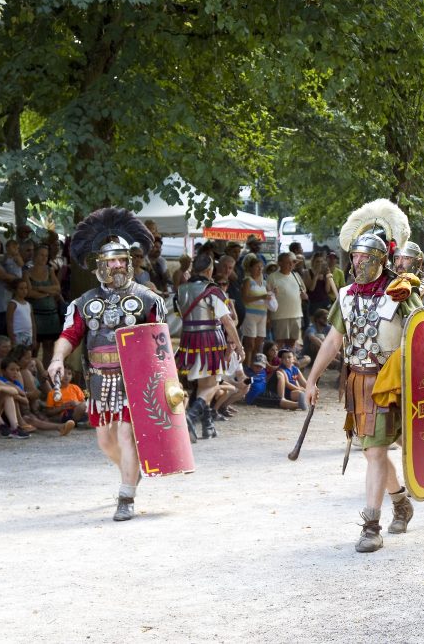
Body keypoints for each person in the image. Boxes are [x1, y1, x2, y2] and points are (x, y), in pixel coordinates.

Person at [304, 199, 419, 553]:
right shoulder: (347, 297)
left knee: (373, 452)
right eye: (354, 257)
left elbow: (423, 335)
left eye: (365, 257)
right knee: (374, 451)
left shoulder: (401, 292)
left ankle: (371, 525)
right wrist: (311, 379)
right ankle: (400, 501)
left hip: (388, 384)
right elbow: (333, 340)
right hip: (357, 381)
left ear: (382, 260)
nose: (358, 263)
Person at [47, 208, 166, 521]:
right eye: (110, 260)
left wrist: (168, 384)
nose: (116, 265)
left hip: (135, 379)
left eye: (121, 260)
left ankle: (126, 496)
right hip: (100, 379)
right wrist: (58, 358)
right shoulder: (84, 303)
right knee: (105, 440)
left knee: (127, 435)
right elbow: (69, 334)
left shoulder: (148, 299)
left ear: (129, 262)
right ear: (100, 265)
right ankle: (130, 471)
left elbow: (160, 344)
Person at [176, 252, 244, 440]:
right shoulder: (213, 290)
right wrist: (238, 346)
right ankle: (190, 417)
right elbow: (228, 322)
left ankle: (208, 426)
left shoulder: (181, 290)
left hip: (189, 340)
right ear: (209, 270)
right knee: (212, 385)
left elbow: (178, 314)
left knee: (202, 385)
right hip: (210, 340)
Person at [26, 244, 64, 367]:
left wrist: (40, 288)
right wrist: (48, 292)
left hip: (51, 315)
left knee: (49, 346)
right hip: (35, 315)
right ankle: (33, 372)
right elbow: (29, 292)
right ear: (35, 256)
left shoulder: (50, 270)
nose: (44, 258)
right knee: (34, 347)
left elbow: (57, 288)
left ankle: (47, 373)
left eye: (46, 255)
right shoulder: (27, 273)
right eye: (41, 255)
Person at [266, 252, 304, 349]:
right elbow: (268, 298)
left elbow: (303, 292)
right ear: (280, 263)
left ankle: (289, 362)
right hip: (280, 316)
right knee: (279, 342)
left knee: (293, 341)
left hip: (296, 314)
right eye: (288, 262)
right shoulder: (272, 277)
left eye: (292, 262)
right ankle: (279, 362)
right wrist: (268, 317)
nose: (291, 265)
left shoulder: (296, 276)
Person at [241, 256, 270, 364]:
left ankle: (255, 367)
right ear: (251, 268)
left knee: (258, 344)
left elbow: (268, 299)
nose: (260, 269)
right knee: (250, 344)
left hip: (263, 315)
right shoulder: (248, 280)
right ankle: (247, 366)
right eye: (257, 267)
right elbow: (245, 299)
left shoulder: (265, 282)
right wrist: (261, 297)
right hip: (250, 314)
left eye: (261, 267)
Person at [6, 278, 36, 349]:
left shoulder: (28, 304)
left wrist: (34, 338)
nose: (24, 291)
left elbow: (33, 322)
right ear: (15, 290)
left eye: (26, 288)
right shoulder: (13, 304)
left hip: (29, 334)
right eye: (21, 289)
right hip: (18, 335)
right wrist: (12, 339)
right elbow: (9, 322)